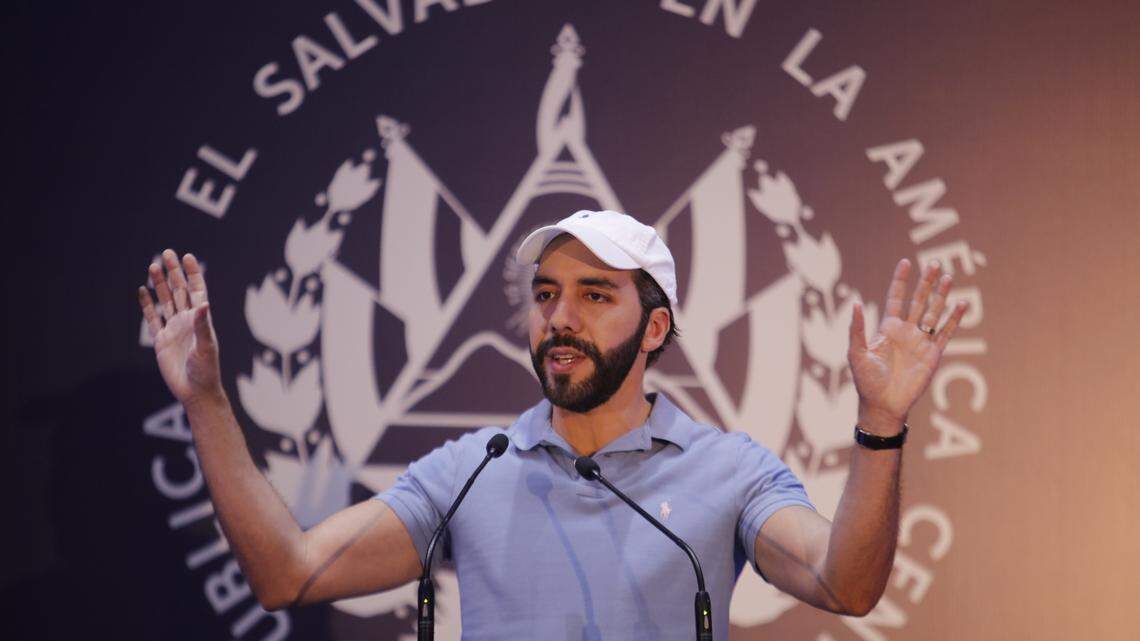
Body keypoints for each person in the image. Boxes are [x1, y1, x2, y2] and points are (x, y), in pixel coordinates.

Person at [138, 210, 968, 639]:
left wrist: (880, 423)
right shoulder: (472, 469)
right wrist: (207, 401)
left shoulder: (728, 470)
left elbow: (846, 584)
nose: (558, 317)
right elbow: (288, 574)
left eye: (594, 294)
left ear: (654, 328)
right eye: (545, 295)